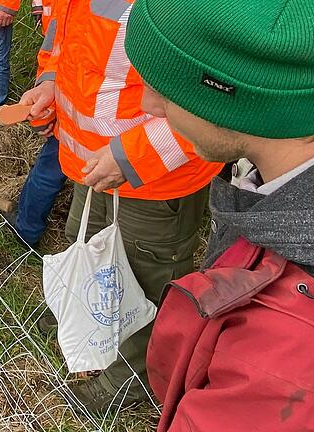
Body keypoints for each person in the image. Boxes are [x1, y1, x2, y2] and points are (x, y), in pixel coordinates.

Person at [19, 0, 223, 413]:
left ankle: (131, 379)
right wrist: (50, 84)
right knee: (88, 253)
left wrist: (131, 158)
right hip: (91, 167)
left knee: (146, 286)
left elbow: (214, 99)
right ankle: (79, 320)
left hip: (155, 178)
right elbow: (63, 40)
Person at [125, 0, 314, 429]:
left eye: (167, 89)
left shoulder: (278, 367)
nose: (149, 105)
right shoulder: (270, 188)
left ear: (240, 99)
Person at [4, 0, 67, 249]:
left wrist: (46, 112)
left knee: (49, 170)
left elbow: (53, 54)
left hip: (83, 118)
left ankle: (26, 230)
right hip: (96, 115)